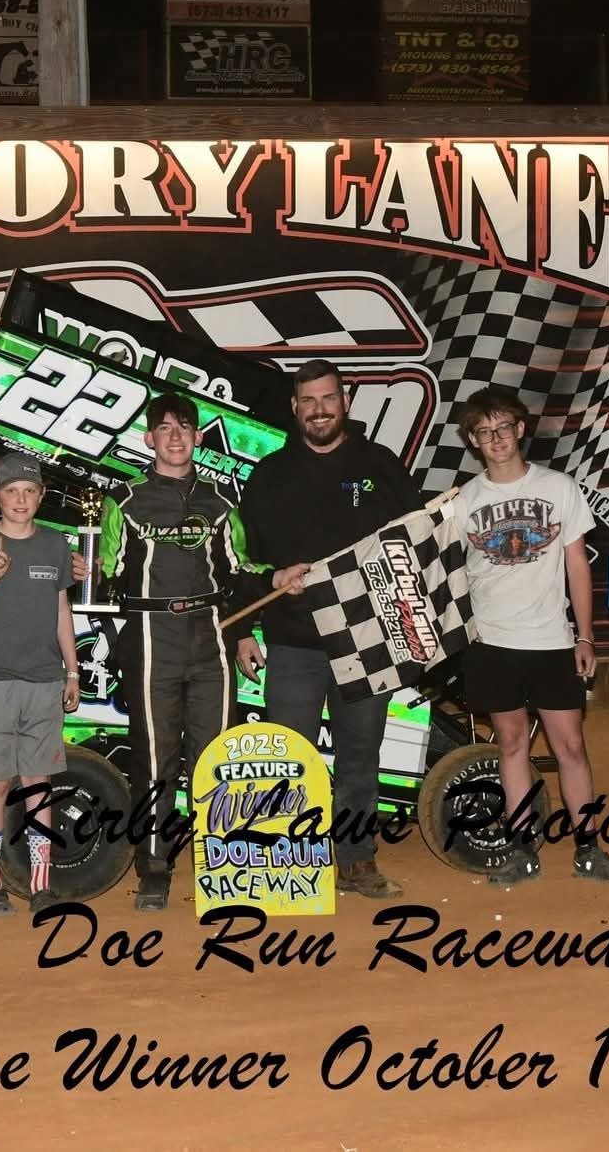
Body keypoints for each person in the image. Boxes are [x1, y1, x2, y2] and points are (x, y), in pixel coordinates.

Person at [232, 360, 420, 899]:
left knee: (361, 753)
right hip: (292, 642)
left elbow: (415, 545)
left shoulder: (380, 465)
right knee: (288, 755)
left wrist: (412, 627)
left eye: (328, 398)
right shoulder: (269, 474)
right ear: (295, 408)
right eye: (309, 401)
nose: (319, 410)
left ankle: (357, 859)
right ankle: (290, 861)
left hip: (368, 640)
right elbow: (244, 558)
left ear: (345, 402)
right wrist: (243, 629)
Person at [451, 387, 609, 886]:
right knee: (511, 744)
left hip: (552, 640)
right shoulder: (463, 501)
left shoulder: (559, 488)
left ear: (520, 429)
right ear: (473, 440)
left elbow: (578, 565)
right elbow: (449, 574)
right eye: (484, 432)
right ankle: (520, 850)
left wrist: (585, 637)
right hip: (492, 641)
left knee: (570, 746)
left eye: (503, 428)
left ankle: (589, 849)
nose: (496, 439)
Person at [99, 392, 262, 912]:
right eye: (165, 428)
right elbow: (107, 571)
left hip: (210, 638)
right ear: (149, 438)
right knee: (155, 757)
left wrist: (247, 626)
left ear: (198, 437)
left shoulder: (222, 502)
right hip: (152, 638)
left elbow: (241, 571)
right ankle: (154, 867)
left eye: (184, 427)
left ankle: (222, 865)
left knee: (215, 757)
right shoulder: (123, 500)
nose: (175, 436)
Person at [0, 452, 81, 918]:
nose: (21, 499)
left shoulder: (54, 544)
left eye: (30, 491)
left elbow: (62, 611)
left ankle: (40, 886)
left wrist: (72, 670)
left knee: (38, 784)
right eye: (11, 491)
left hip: (45, 681)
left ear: (41, 496)